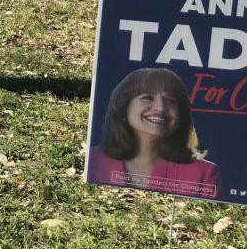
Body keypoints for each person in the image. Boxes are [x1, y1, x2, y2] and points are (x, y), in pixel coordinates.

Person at [87, 67, 220, 200]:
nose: (160, 108)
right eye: (148, 98)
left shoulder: (203, 174)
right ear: (123, 107)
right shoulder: (93, 161)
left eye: (170, 101)